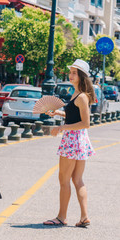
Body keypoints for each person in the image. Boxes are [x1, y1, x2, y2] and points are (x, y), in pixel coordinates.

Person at [43, 59, 95, 228]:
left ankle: (61, 217)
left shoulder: (81, 97)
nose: (71, 75)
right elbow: (76, 116)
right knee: (77, 179)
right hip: (79, 141)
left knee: (64, 179)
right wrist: (59, 113)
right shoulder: (78, 95)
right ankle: (84, 216)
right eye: (71, 72)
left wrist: (62, 128)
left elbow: (86, 123)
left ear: (81, 76)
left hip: (73, 140)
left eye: (74, 72)